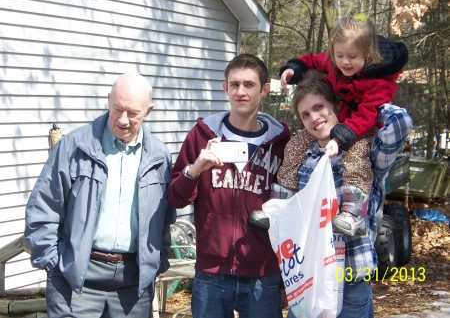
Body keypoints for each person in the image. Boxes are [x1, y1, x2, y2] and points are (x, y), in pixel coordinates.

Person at [252, 70, 412, 317]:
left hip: (349, 275)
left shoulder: (367, 150)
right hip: (308, 276)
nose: (314, 118)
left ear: (336, 105)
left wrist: (363, 106)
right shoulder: (303, 156)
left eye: (319, 107)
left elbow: (401, 123)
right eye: (305, 115)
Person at [24, 73, 176, 318]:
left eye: (133, 113)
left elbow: (165, 218)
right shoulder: (75, 146)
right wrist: (53, 264)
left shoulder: (159, 156)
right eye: (117, 109)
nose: (123, 120)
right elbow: (43, 208)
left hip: (133, 283)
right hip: (75, 280)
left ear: (148, 111)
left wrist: (156, 262)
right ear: (108, 100)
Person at [167, 54, 291, 318]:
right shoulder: (202, 136)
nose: (241, 91)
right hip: (212, 274)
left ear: (264, 89)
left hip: (263, 273)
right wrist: (195, 169)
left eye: (249, 84)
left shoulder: (281, 143)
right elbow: (176, 198)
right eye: (234, 84)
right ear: (225, 88)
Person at [278, 13, 409, 236]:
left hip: (363, 128)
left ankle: (354, 211)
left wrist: (341, 138)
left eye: (352, 56)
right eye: (339, 55)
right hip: (340, 121)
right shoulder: (332, 63)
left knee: (355, 155)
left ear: (367, 54)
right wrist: (294, 68)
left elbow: (368, 113)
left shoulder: (380, 82)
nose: (345, 62)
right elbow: (312, 60)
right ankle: (282, 198)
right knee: (296, 144)